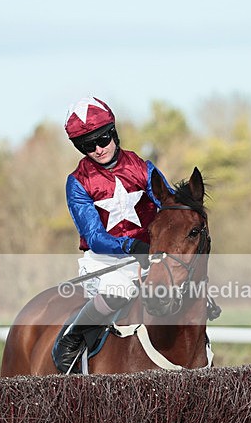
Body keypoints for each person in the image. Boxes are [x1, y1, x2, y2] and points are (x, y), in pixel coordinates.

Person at [52, 96, 172, 373]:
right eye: (87, 145)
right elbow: (94, 237)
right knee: (120, 292)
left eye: (103, 139)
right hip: (105, 260)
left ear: (113, 133)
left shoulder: (142, 168)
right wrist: (131, 246)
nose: (98, 149)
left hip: (150, 254)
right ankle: (72, 337)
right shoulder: (77, 182)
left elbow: (170, 206)